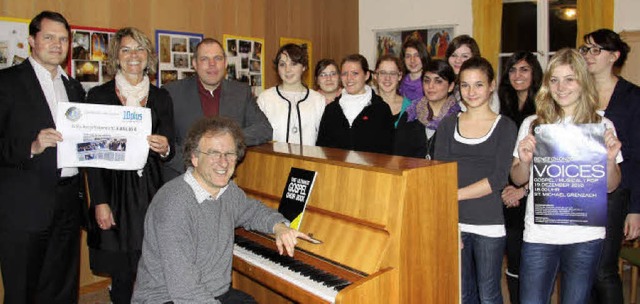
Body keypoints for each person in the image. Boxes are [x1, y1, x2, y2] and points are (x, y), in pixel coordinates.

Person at [132, 117, 313, 303]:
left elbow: (253, 211)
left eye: (230, 154)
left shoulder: (227, 191)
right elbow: (185, 290)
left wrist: (279, 226)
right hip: (167, 297)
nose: (223, 162)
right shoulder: (174, 204)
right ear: (194, 158)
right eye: (213, 153)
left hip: (213, 292)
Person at [511, 48, 622, 304]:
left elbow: (610, 186)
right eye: (554, 79)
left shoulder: (602, 126)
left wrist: (608, 159)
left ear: (583, 81)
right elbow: (517, 178)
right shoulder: (533, 124)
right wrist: (525, 161)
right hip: (540, 235)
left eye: (569, 79)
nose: (561, 87)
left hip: (584, 236)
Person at [0, 11, 86, 303]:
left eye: (63, 39)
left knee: (63, 285)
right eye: (49, 37)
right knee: (22, 289)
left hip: (68, 202)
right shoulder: (7, 82)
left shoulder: (74, 87)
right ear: (31, 41)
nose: (57, 44)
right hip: (24, 205)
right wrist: (32, 145)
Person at [85, 27, 175, 304]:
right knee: (122, 269)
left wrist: (165, 147)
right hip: (114, 190)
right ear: (116, 56)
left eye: (139, 49)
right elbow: (92, 157)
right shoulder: (99, 96)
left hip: (151, 188)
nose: (133, 56)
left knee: (155, 261)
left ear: (148, 56)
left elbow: (171, 143)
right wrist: (100, 201)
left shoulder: (161, 97)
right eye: (126, 49)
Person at [433, 57, 517, 303]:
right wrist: (451, 220)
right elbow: (440, 173)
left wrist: (454, 195)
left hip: (488, 223)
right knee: (461, 293)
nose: (471, 92)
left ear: (491, 85)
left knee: (489, 294)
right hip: (454, 221)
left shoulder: (506, 126)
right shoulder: (448, 124)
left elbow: (498, 178)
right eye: (465, 85)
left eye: (478, 85)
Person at [581, 29, 640, 304]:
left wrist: (636, 209)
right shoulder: (577, 93)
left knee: (604, 269)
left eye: (595, 50)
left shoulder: (632, 97)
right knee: (584, 268)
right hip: (579, 190)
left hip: (617, 191)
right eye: (585, 49)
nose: (588, 55)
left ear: (614, 56)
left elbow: (638, 156)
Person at [163, 38, 272, 181]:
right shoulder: (171, 93)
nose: (212, 64)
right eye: (204, 59)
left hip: (228, 181)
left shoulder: (241, 92)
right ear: (195, 64)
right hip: (184, 178)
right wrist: (196, 167)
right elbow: (166, 143)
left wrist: (227, 140)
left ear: (225, 63)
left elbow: (264, 129)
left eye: (217, 58)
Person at [497, 51, 543, 304]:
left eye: (524, 69)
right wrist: (507, 187)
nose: (518, 75)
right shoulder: (505, 107)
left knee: (532, 262)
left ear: (535, 73)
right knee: (513, 258)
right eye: (513, 70)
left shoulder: (543, 109)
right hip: (508, 188)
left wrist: (522, 189)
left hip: (535, 195)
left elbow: (547, 159)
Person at [316, 54, 394, 154]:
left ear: (366, 75)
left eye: (355, 73)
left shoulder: (381, 109)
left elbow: (389, 151)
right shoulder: (331, 109)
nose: (349, 78)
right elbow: (322, 149)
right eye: (344, 73)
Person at [256, 44, 325, 146]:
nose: (287, 70)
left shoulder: (318, 100)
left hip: (309, 160)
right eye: (282, 64)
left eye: (293, 64)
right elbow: (259, 135)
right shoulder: (265, 98)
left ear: (304, 67)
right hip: (275, 160)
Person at [394, 59, 460, 158]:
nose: (430, 86)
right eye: (427, 80)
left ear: (450, 86)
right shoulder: (410, 116)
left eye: (438, 81)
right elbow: (398, 156)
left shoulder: (459, 119)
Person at [445, 35, 500, 114]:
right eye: (454, 55)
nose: (457, 60)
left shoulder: (486, 88)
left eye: (464, 56)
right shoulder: (447, 82)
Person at [373, 55, 411, 127]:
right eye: (383, 73)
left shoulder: (410, 108)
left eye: (393, 73)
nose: (387, 78)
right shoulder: (367, 105)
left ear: (399, 76)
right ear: (375, 76)